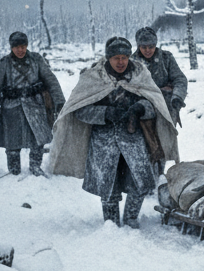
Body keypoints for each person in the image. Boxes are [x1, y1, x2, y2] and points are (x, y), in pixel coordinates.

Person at [48, 36, 179, 227]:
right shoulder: (93, 77)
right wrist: (106, 113)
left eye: (124, 57)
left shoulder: (140, 74)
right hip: (103, 140)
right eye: (116, 58)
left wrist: (140, 108)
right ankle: (111, 223)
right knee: (107, 183)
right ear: (108, 58)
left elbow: (155, 103)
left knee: (140, 180)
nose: (121, 62)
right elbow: (80, 109)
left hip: (134, 138)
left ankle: (131, 218)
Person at [0, 31, 65, 177]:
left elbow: (50, 80)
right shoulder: (3, 64)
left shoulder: (36, 60)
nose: (20, 50)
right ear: (11, 47)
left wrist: (59, 101)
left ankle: (35, 167)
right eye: (16, 47)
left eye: (23, 46)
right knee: (12, 142)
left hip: (35, 106)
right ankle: (14, 170)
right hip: (11, 107)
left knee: (38, 138)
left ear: (27, 46)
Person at [132, 26, 188, 125]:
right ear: (138, 46)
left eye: (151, 47)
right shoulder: (131, 63)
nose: (147, 50)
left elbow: (179, 79)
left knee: (166, 138)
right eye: (144, 47)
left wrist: (177, 97)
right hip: (141, 109)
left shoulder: (166, 58)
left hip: (166, 107)